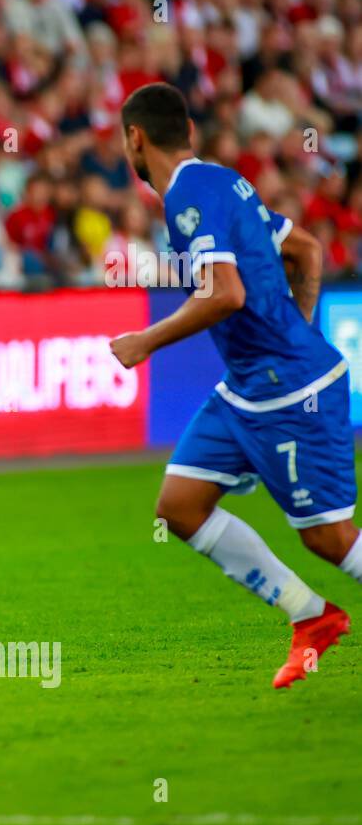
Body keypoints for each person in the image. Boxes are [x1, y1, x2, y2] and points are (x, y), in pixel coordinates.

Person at [109, 83, 351, 690]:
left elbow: (226, 293)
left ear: (136, 139)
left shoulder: (190, 197)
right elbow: (307, 249)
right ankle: (311, 616)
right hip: (247, 390)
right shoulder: (222, 182)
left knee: (328, 538)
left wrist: (145, 341)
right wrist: (298, 324)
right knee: (180, 507)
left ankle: (317, 611)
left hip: (293, 394)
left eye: (125, 142)